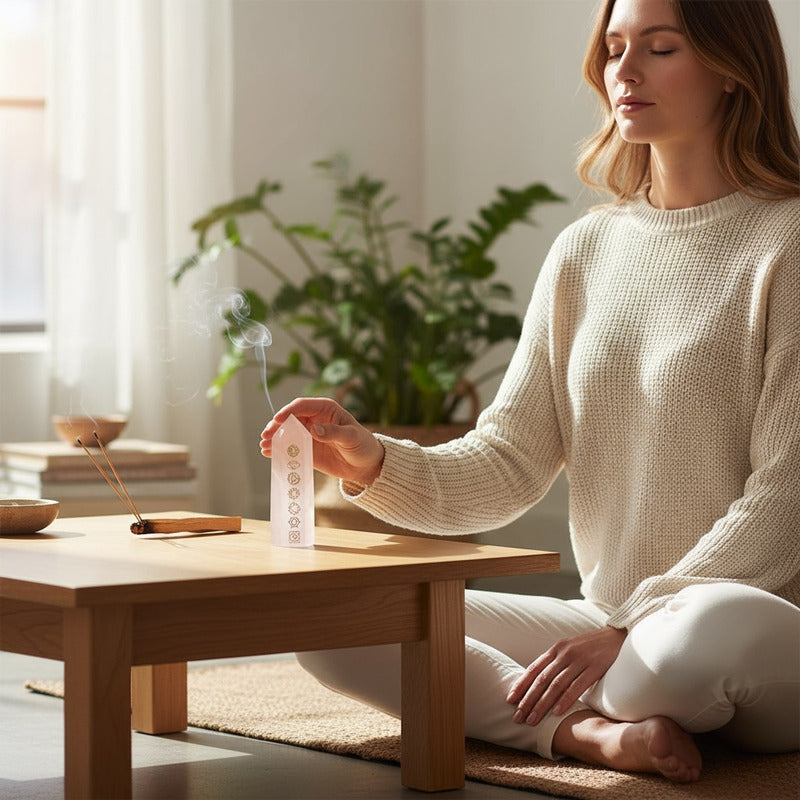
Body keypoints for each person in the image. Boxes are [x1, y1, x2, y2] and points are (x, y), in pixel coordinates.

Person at [260, 0, 800, 783]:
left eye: (659, 47)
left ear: (730, 68)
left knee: (697, 640)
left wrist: (628, 625)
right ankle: (589, 736)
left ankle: (578, 703)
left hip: (748, 625)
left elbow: (787, 497)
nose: (626, 70)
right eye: (614, 48)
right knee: (332, 621)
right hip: (608, 624)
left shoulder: (788, 241)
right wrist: (369, 458)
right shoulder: (586, 250)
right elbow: (506, 461)